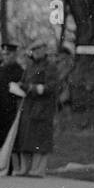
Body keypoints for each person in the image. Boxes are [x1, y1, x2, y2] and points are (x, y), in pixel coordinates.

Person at [13, 41, 57, 176]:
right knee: (26, 137)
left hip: (43, 106)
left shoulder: (50, 66)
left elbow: (51, 86)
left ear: (44, 50)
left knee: (40, 139)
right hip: (28, 106)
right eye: (35, 49)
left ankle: (38, 169)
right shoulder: (29, 66)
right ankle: (25, 168)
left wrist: (31, 87)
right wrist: (20, 86)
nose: (37, 52)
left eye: (40, 49)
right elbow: (24, 82)